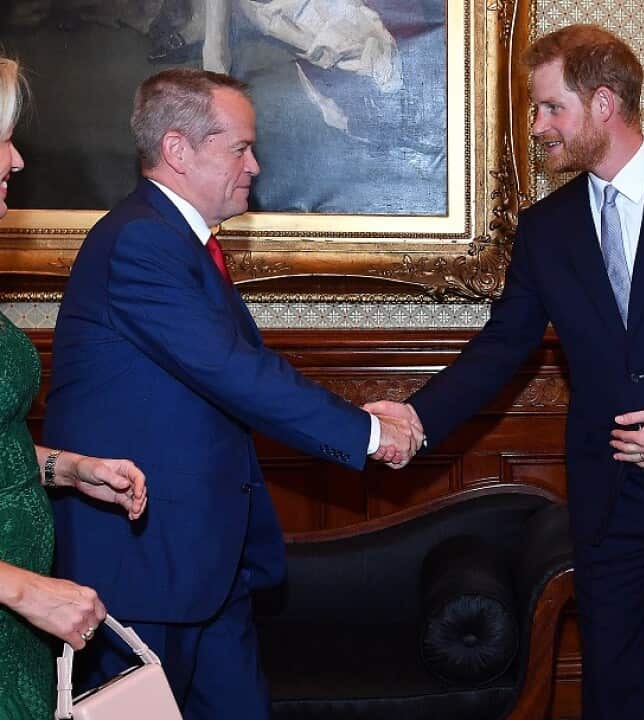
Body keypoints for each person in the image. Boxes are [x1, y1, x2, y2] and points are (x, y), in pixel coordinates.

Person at [367, 24, 644, 720]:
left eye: (549, 108)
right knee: (609, 682)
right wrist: (419, 417)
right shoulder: (546, 228)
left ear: (604, 104)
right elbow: (505, 344)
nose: (537, 126)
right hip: (609, 494)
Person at [42, 68, 421, 718]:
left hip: (207, 571)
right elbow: (236, 374)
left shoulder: (177, 244)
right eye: (239, 147)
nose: (255, 164)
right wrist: (368, 433)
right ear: (178, 148)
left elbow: (239, 373)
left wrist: (358, 419)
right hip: (146, 571)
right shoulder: (141, 242)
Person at [0, 24, 147, 718]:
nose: (18, 159)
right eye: (2, 139)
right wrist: (30, 592)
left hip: (2, 627)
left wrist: (66, 468)